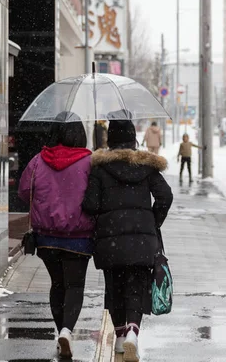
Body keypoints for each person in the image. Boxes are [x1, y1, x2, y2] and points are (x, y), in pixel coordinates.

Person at [82, 112, 173, 362]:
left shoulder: (100, 169)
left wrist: (104, 215)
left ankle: (120, 337)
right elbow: (166, 196)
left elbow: (90, 204)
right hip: (142, 241)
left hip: (110, 240)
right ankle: (134, 330)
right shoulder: (146, 167)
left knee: (114, 288)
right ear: (134, 140)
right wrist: (153, 221)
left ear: (110, 140)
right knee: (136, 286)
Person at [18, 113, 95, 360]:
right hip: (79, 236)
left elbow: (23, 192)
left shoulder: (38, 160)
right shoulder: (89, 162)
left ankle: (61, 332)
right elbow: (97, 197)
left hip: (46, 237)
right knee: (75, 285)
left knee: (58, 284)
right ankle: (67, 331)